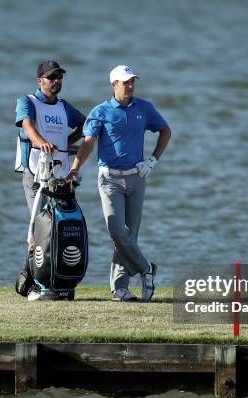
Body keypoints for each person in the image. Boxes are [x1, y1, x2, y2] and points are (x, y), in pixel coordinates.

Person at [67, 65, 171, 302]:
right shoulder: (100, 111)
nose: (131, 85)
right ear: (114, 85)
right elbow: (88, 143)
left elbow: (165, 131)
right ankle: (146, 268)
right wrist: (74, 169)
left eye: (133, 81)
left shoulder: (144, 108)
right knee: (116, 231)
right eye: (126, 82)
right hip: (109, 179)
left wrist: (152, 161)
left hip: (137, 177)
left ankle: (120, 289)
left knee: (129, 237)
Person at [14, 61, 86, 300]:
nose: (56, 81)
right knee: (38, 228)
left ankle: (59, 283)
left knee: (59, 228)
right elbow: (27, 125)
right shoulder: (27, 101)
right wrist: (40, 141)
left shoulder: (64, 107)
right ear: (40, 81)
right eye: (51, 77)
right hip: (36, 173)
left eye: (59, 77)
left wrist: (67, 144)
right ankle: (31, 284)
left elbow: (84, 124)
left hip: (62, 177)